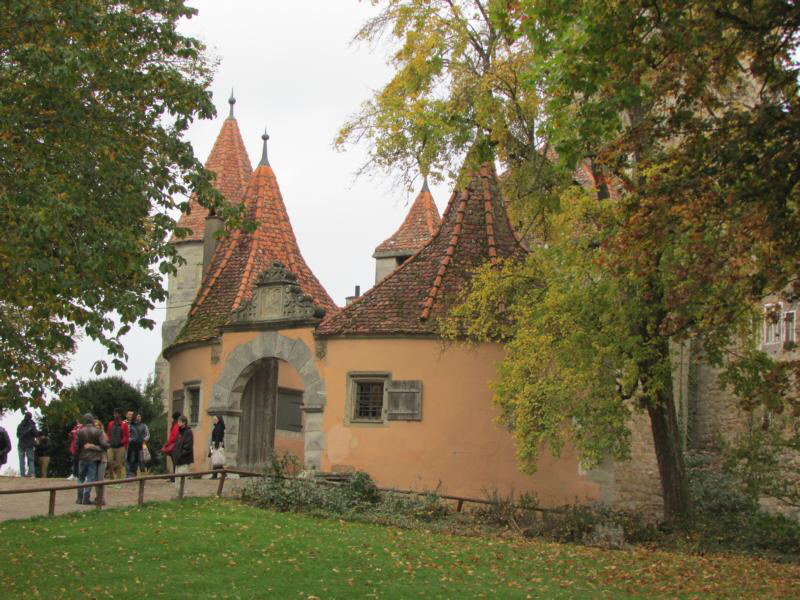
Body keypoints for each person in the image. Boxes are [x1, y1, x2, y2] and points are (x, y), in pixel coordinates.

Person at [74, 413, 107, 505]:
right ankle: (86, 498)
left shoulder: (79, 432)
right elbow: (104, 445)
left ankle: (79, 498)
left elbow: (76, 447)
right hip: (93, 458)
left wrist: (76, 458)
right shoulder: (98, 432)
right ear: (92, 420)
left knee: (80, 478)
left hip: (82, 457)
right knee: (90, 478)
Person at [171, 416, 193, 491]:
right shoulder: (179, 432)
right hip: (178, 459)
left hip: (184, 459)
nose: (178, 423)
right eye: (178, 421)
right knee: (177, 477)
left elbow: (188, 446)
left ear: (184, 422)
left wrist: (180, 455)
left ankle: (183, 493)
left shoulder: (188, 432)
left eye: (180, 422)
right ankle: (178, 493)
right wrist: (175, 454)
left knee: (182, 477)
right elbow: (176, 444)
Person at [106, 409, 128, 479]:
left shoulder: (124, 425)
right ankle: (112, 479)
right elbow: (108, 434)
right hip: (111, 446)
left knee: (119, 465)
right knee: (109, 462)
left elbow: (126, 436)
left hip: (120, 447)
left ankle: (119, 480)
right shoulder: (110, 424)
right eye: (114, 414)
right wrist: (109, 441)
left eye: (116, 414)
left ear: (120, 414)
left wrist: (121, 442)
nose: (115, 415)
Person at [91, 419, 110, 506]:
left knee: (100, 479)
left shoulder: (103, 434)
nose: (96, 427)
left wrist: (92, 447)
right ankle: (98, 497)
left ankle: (101, 498)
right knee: (95, 479)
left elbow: (104, 447)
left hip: (102, 459)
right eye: (94, 425)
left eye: (97, 425)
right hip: (94, 459)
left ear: (100, 426)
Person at [16, 411, 38, 477]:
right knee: (31, 460)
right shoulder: (32, 425)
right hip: (29, 444)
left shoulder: (20, 425)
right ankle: (32, 474)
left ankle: (22, 474)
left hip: (21, 444)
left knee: (21, 460)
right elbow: (36, 434)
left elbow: (17, 435)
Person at [126, 412, 147, 477]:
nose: (138, 418)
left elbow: (147, 435)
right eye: (137, 416)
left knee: (141, 460)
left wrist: (143, 440)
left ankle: (143, 474)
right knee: (133, 460)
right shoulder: (130, 425)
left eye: (139, 416)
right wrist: (131, 439)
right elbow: (127, 434)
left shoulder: (144, 425)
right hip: (132, 445)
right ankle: (133, 474)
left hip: (140, 445)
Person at [162, 411, 181, 480]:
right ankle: (174, 477)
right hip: (177, 446)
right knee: (175, 462)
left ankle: (174, 477)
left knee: (175, 462)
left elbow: (173, 437)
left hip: (174, 446)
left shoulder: (176, 426)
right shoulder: (178, 425)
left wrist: (168, 443)